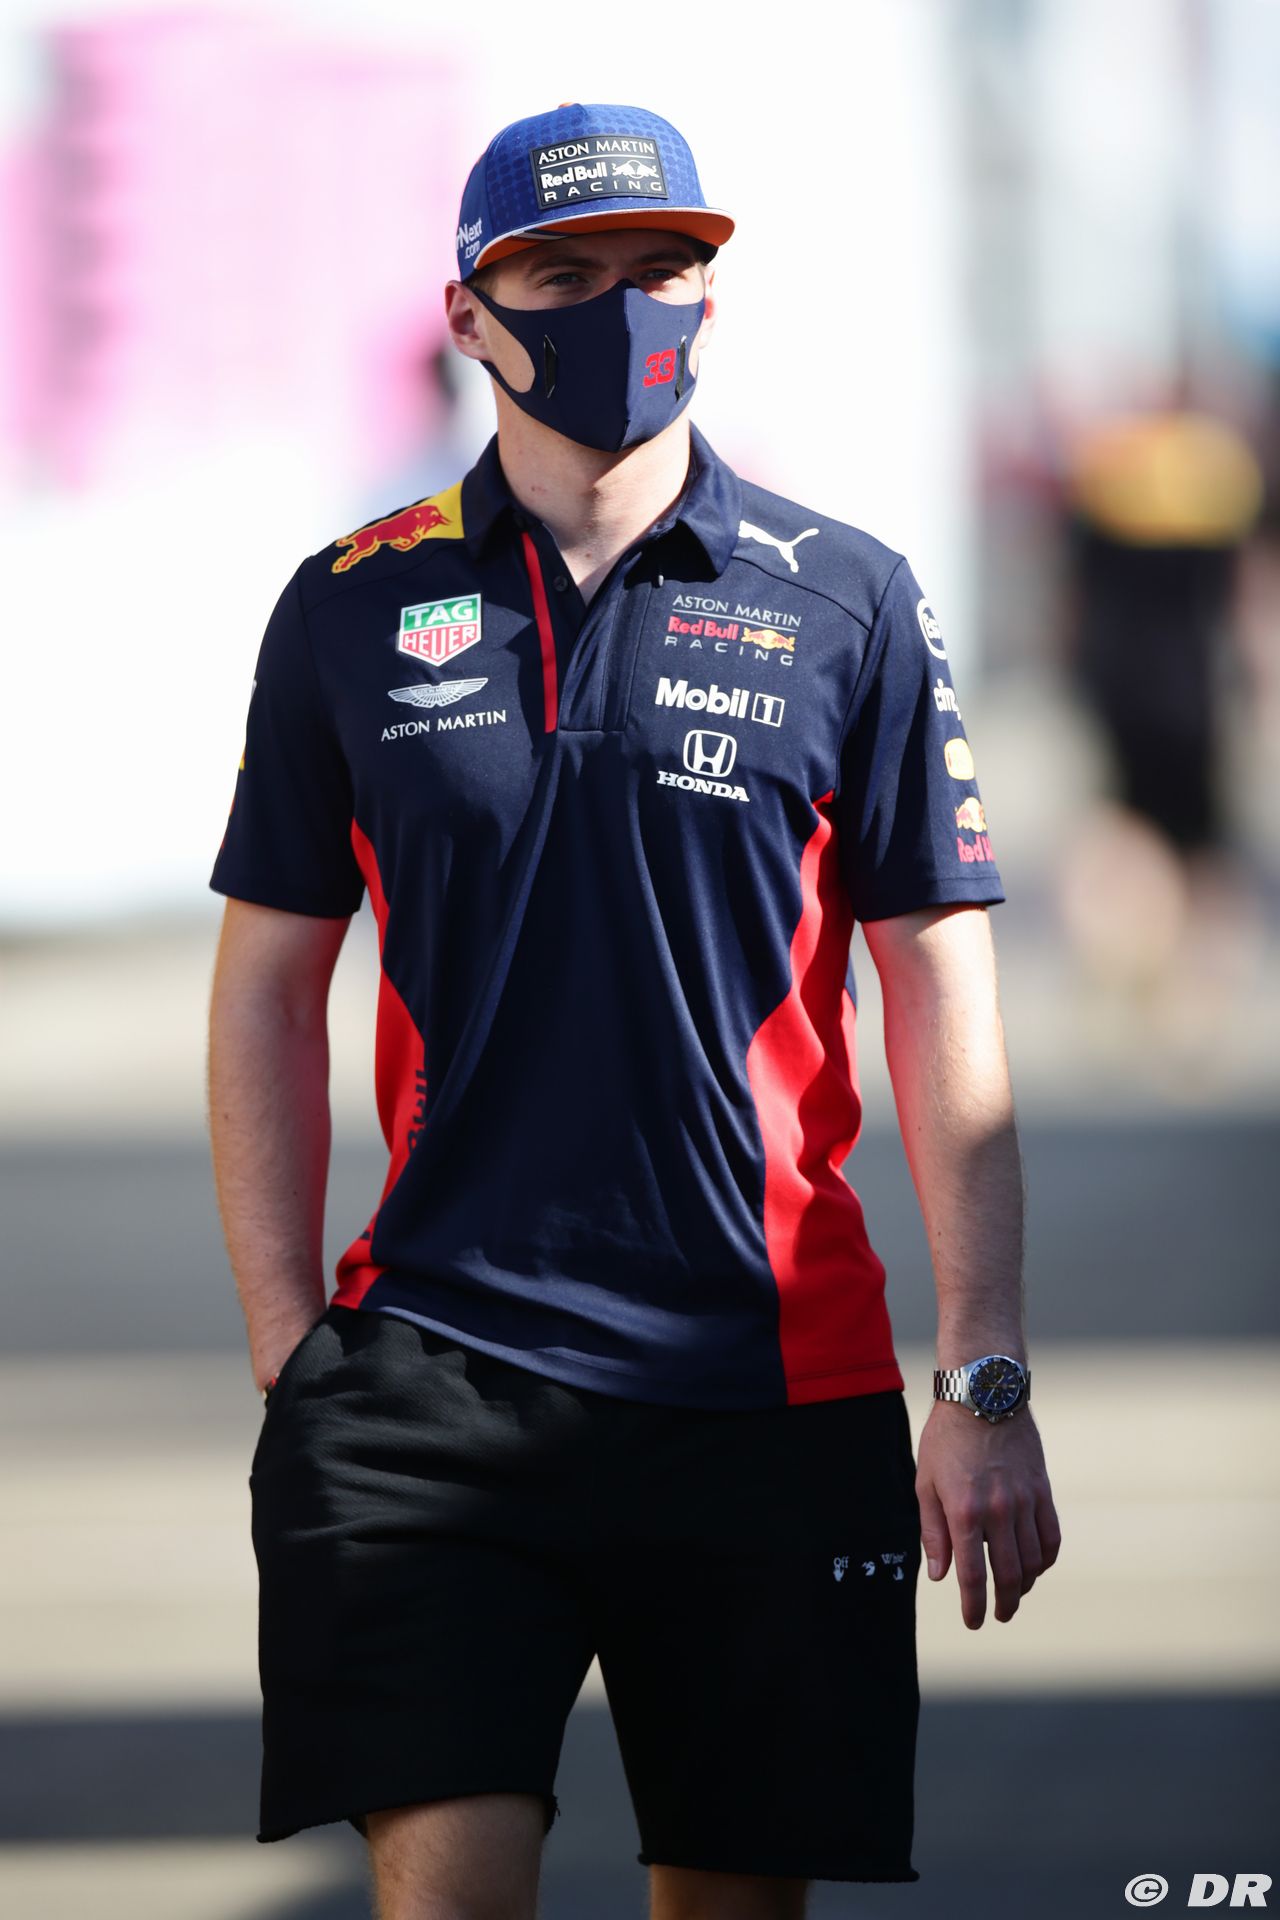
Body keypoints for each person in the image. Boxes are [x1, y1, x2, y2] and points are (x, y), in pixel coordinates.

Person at [208, 101, 1061, 1920]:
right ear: (468, 313)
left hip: (769, 1385)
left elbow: (940, 987)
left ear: (711, 297)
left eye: (664, 268)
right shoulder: (351, 605)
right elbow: (268, 985)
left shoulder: (846, 600)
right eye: (566, 275)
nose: (624, 307)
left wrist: (982, 1372)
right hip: (429, 1378)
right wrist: (289, 1344)